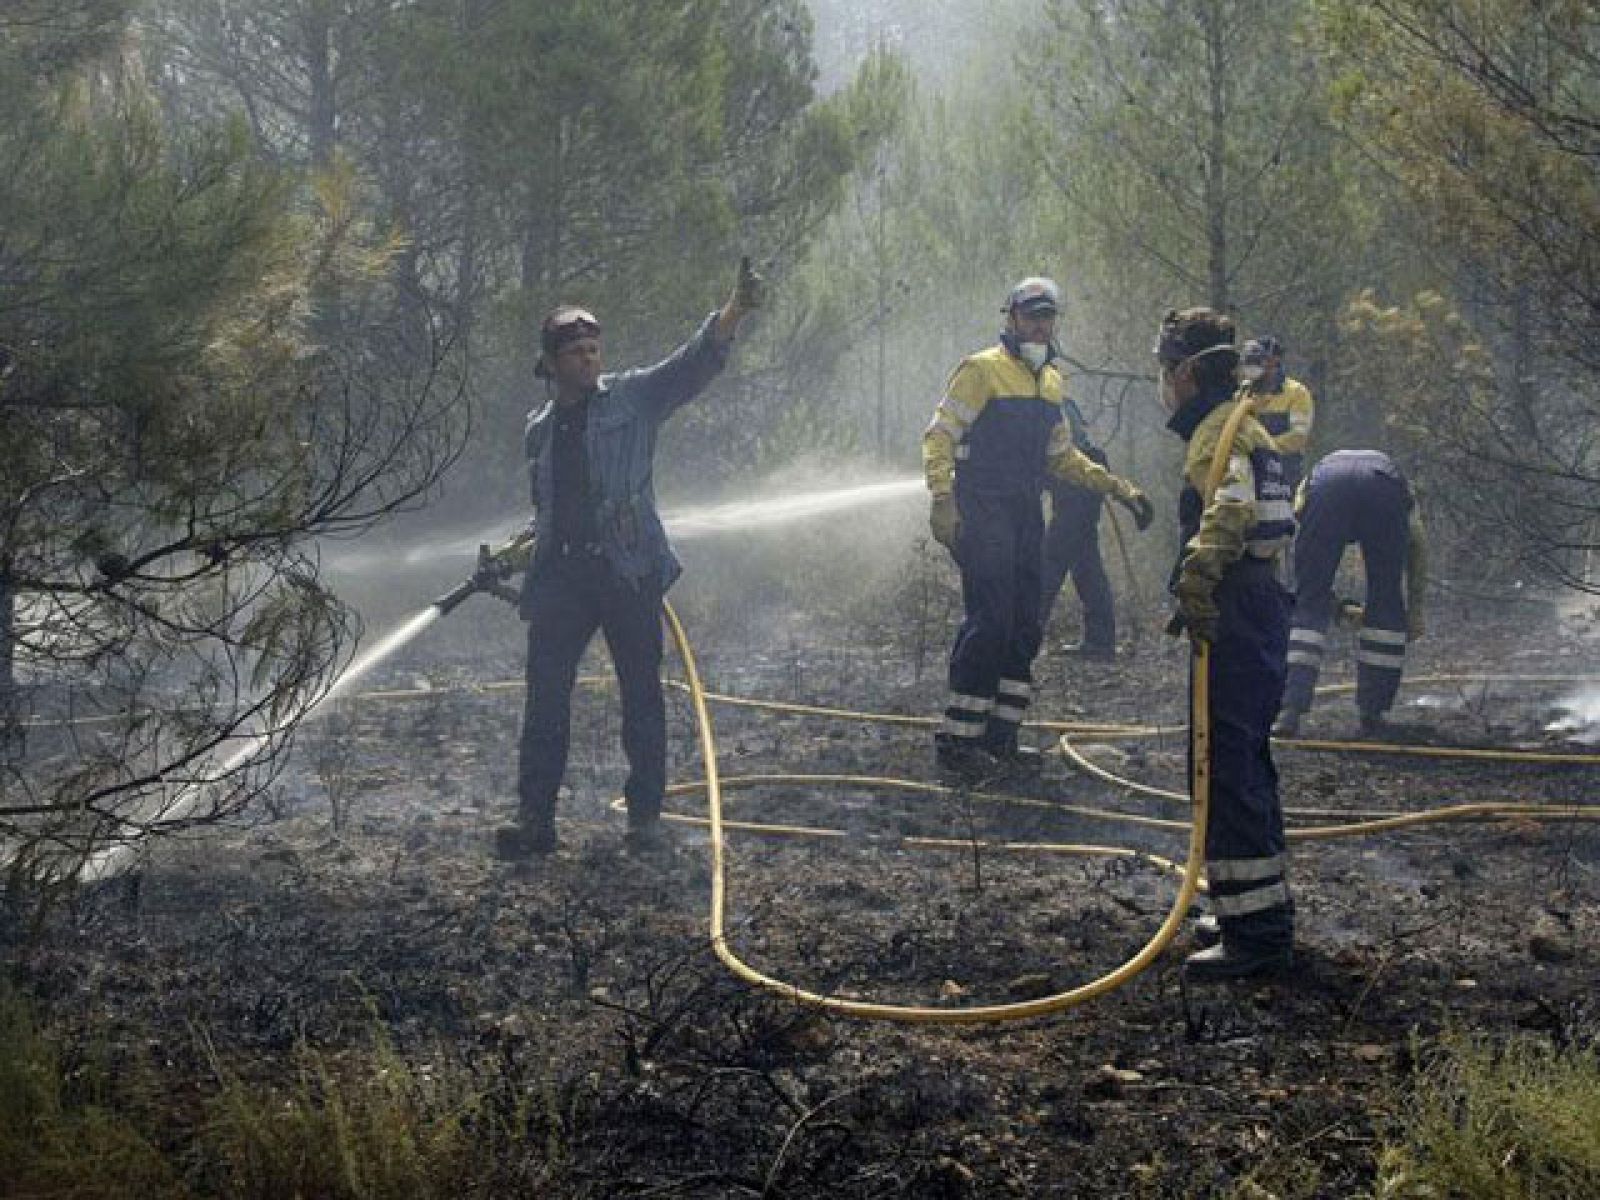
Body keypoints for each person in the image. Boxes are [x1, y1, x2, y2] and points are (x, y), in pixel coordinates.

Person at [495, 258, 764, 860]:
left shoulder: (633, 400)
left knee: (641, 694)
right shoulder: (540, 430)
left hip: (627, 571)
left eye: (594, 348)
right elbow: (551, 509)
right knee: (545, 701)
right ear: (552, 364)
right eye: (576, 352)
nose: (589, 359)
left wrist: (733, 312)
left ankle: (645, 818)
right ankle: (535, 820)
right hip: (561, 579)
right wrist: (520, 551)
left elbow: (690, 367)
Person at [923, 277, 1153, 776]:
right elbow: (940, 435)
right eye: (1031, 315)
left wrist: (1115, 487)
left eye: (1047, 316)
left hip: (1026, 511)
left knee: (1027, 621)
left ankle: (1001, 736)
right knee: (992, 618)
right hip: (982, 508)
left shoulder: (1051, 383)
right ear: (1011, 317)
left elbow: (1062, 457)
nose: (1039, 324)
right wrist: (943, 499)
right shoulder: (980, 371)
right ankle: (960, 740)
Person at [1157, 307, 1297, 980]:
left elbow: (1233, 509)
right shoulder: (1251, 425)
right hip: (1260, 603)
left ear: (1186, 371)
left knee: (1224, 760)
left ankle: (1258, 936)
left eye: (1165, 371)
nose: (1165, 384)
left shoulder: (1219, 431)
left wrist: (1198, 574)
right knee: (1240, 756)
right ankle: (1247, 908)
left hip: (1238, 608)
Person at [1273, 450, 1427, 738]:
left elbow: (1302, 571)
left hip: (1327, 486)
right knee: (1387, 600)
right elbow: (1417, 546)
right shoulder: (1401, 487)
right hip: (1383, 490)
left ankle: (1289, 709)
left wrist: (1328, 604)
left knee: (1308, 603)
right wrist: (1415, 609)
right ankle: (1373, 712)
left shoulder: (1309, 486)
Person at [1239, 335, 1315, 489]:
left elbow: (1298, 436)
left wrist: (1263, 448)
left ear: (1274, 361)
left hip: (1284, 477)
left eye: (1260, 360)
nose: (1254, 366)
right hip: (1248, 476)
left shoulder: (1296, 392)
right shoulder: (1242, 393)